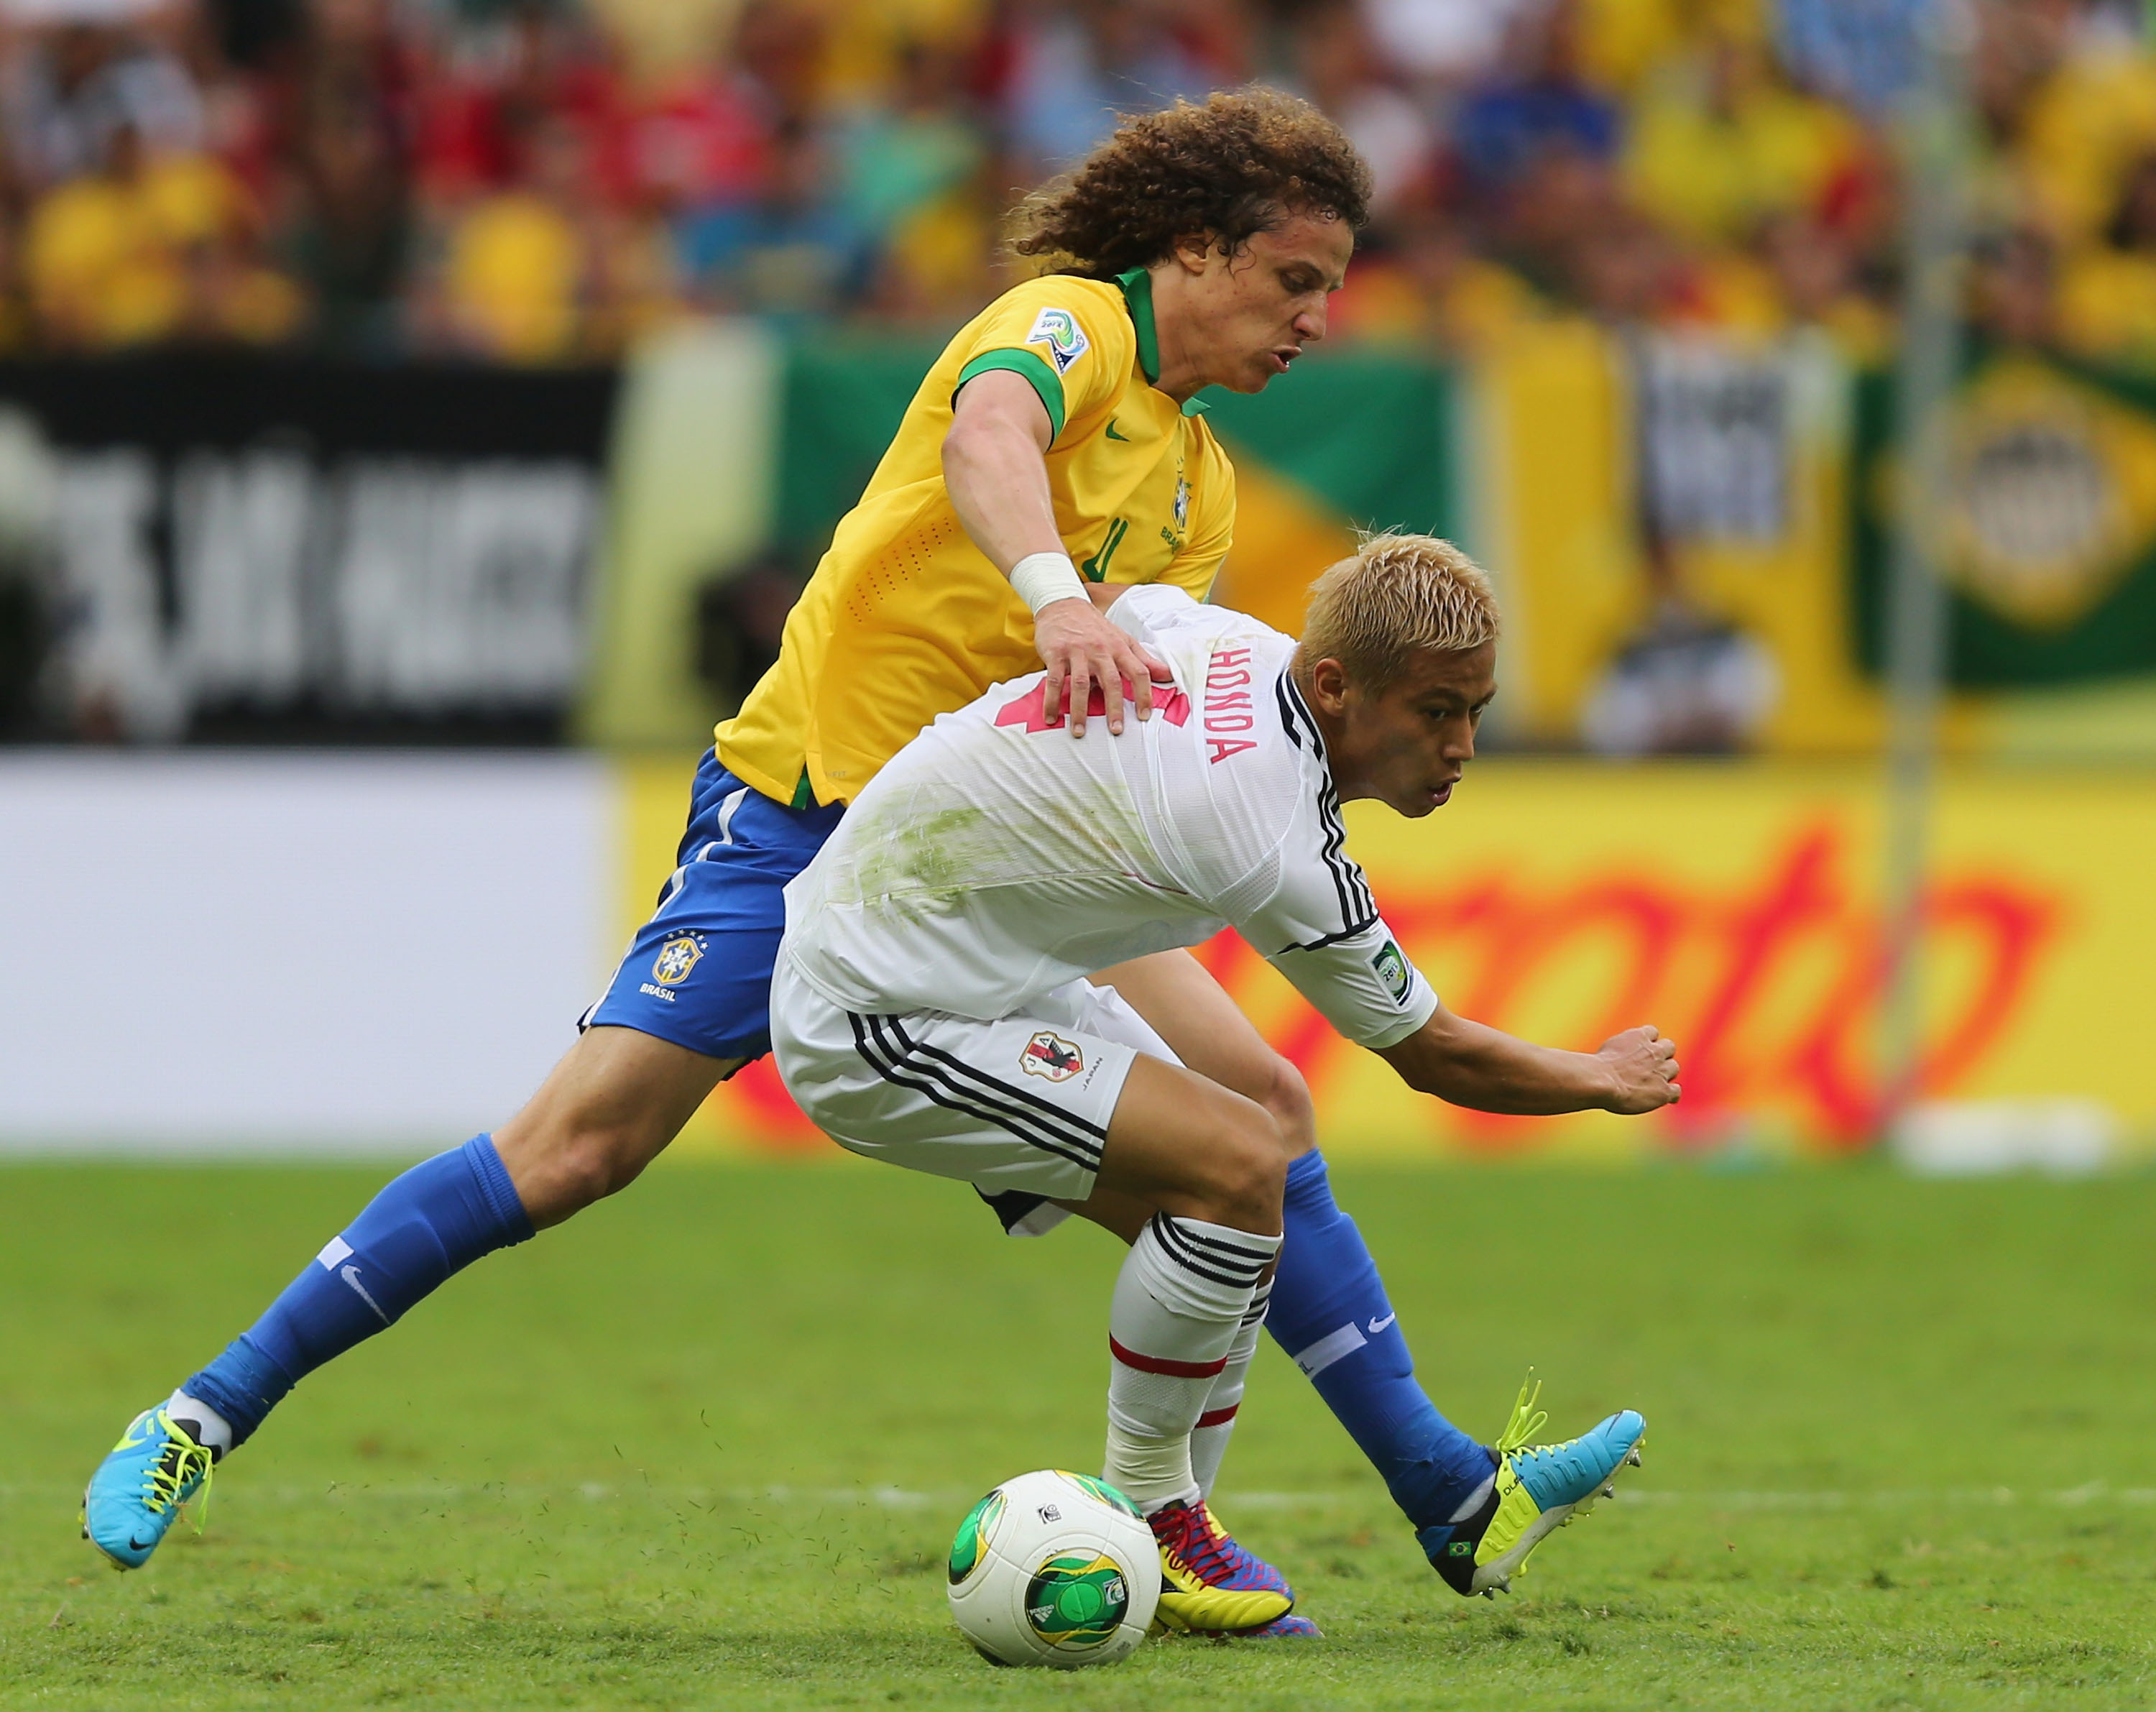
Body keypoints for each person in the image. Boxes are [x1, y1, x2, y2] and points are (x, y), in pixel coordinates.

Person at [80, 87, 1534, 1632]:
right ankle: (198, 1417)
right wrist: (1052, 593)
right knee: (579, 1149)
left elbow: (1131, 736)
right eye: (1295, 279)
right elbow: (990, 442)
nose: (1317, 317)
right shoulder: (1063, 329)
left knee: (1252, 1129)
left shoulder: (1200, 485)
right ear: (1195, 249)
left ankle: (1394, 1495)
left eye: (1330, 288)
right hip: (806, 820)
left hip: (999, 872)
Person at [771, 535, 1675, 1627]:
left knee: (1268, 1120)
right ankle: (1160, 1517)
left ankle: (1448, 1491)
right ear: (1337, 686)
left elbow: (1110, 602)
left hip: (965, 941)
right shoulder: (1265, 829)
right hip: (880, 1005)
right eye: (1438, 711)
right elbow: (1435, 1055)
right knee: (1234, 1164)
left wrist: (1061, 623)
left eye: (1476, 710)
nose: (1464, 744)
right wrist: (1601, 1076)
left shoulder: (1229, 639)